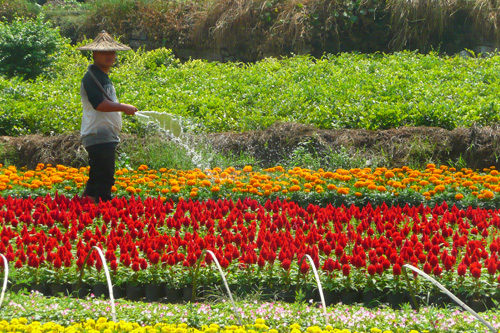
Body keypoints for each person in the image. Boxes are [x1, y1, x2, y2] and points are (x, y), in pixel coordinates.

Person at [77, 31, 138, 203]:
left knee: (97, 175)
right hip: (98, 134)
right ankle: (102, 212)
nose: (109, 56)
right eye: (104, 52)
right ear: (95, 54)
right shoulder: (92, 78)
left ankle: (86, 207)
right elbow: (100, 104)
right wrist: (123, 107)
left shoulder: (102, 76)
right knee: (105, 176)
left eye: (112, 52)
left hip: (105, 135)